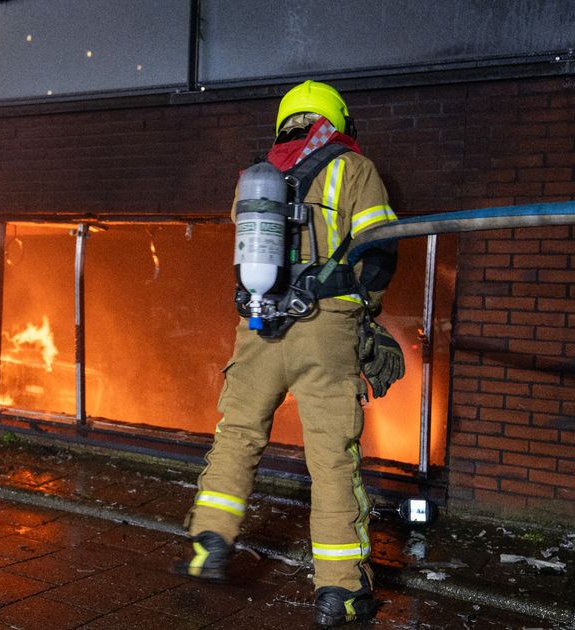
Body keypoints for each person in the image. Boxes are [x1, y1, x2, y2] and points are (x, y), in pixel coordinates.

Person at [173, 80, 403, 627]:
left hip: (259, 327)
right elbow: (379, 252)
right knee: (331, 460)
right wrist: (365, 313)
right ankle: (340, 592)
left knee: (237, 436)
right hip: (325, 331)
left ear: (285, 121)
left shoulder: (257, 178)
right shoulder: (354, 169)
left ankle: (210, 542)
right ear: (337, 120)